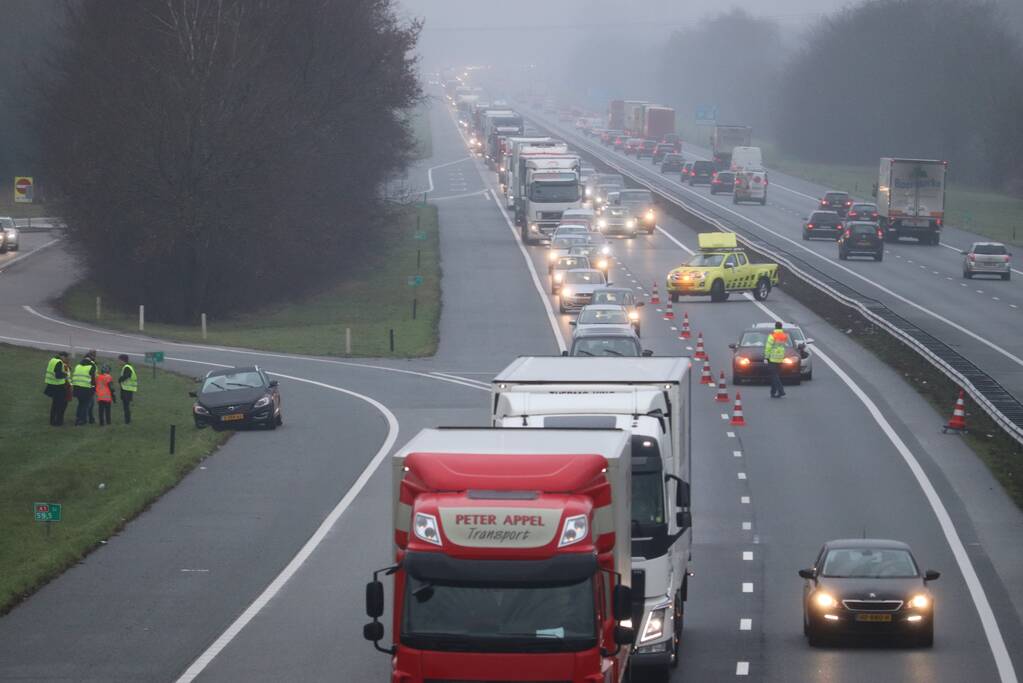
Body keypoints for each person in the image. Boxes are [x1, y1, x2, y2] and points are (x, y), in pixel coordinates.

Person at [43, 351, 71, 426]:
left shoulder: (52, 360)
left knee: (55, 404)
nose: (66, 359)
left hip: (51, 384)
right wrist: (65, 374)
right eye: (66, 357)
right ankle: (59, 422)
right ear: (63, 356)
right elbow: (58, 375)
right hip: (58, 386)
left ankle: (52, 421)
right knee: (61, 405)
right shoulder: (59, 362)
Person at [764, 321, 789, 398]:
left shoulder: (772, 335)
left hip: (773, 357)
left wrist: (766, 357)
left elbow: (768, 347)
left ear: (775, 327)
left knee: (774, 375)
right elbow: (783, 345)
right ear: (781, 327)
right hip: (780, 357)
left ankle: (781, 391)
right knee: (775, 375)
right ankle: (773, 392)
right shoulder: (784, 336)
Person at [71, 353, 97, 426]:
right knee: (85, 405)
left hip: (76, 388)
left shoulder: (78, 366)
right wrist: (93, 388)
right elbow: (93, 379)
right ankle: (82, 420)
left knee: (80, 404)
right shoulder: (92, 366)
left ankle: (78, 418)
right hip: (86, 388)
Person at [118, 354, 138, 424]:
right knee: (126, 406)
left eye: (119, 360)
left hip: (127, 389)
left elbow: (127, 376)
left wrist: (120, 379)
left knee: (126, 406)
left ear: (123, 360)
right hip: (128, 389)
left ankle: (127, 421)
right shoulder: (128, 367)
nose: (118, 362)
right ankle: (127, 420)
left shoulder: (127, 367)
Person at [85, 350, 99, 424]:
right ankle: (88, 418)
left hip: (85, 385)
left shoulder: (84, 362)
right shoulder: (92, 364)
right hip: (90, 386)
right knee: (89, 403)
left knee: (90, 403)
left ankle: (90, 418)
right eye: (94, 355)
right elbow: (94, 376)